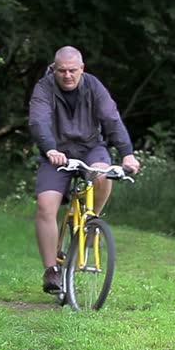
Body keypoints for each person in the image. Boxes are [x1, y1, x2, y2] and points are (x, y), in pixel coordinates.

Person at [28, 46, 141, 293]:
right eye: (62, 71)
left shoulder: (93, 86)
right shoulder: (44, 88)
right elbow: (38, 121)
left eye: (72, 70)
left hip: (91, 148)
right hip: (56, 154)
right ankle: (51, 270)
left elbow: (111, 118)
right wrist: (50, 149)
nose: (67, 75)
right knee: (45, 206)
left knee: (102, 174)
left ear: (82, 68)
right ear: (54, 69)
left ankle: (91, 222)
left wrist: (127, 154)